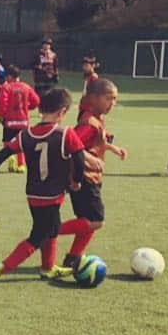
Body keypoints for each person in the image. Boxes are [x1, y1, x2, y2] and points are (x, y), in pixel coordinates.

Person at [0, 87, 87, 288]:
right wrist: (76, 180)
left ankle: (48, 268)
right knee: (38, 236)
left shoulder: (26, 134)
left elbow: (4, 153)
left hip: (33, 194)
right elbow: (79, 159)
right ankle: (2, 269)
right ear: (62, 112)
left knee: (53, 229)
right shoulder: (65, 134)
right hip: (52, 194)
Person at [57, 79, 126, 269]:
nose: (112, 103)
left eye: (114, 99)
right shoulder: (89, 123)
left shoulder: (96, 118)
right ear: (93, 98)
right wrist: (89, 159)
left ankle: (73, 257)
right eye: (108, 98)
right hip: (84, 178)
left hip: (91, 177)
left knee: (86, 221)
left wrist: (112, 148)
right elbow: (71, 145)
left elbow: (93, 142)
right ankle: (50, 230)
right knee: (96, 221)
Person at [0, 65, 40, 173]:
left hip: (10, 122)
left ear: (10, 76)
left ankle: (10, 158)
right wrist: (27, 107)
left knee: (7, 142)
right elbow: (36, 101)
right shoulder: (26, 87)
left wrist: (2, 116)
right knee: (21, 144)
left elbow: (2, 103)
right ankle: (21, 165)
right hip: (23, 121)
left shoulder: (6, 87)